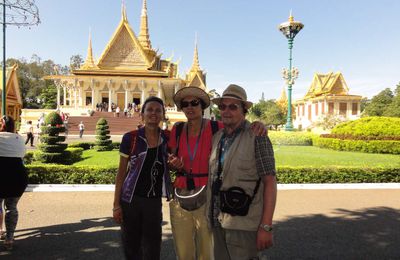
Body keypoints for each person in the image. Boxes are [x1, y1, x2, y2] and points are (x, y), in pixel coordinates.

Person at [168, 86, 267, 260]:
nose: (190, 107)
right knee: (183, 252)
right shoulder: (176, 130)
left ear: (203, 106)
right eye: (185, 104)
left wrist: (258, 124)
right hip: (181, 196)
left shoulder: (216, 128)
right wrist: (174, 164)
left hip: (207, 197)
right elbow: (167, 158)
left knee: (207, 252)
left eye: (194, 103)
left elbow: (240, 127)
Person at [206, 84, 277, 260]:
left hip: (244, 223)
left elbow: (270, 181)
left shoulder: (257, 137)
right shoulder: (217, 138)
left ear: (244, 110)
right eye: (222, 106)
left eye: (233, 106)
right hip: (217, 219)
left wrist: (266, 226)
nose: (226, 111)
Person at [113, 96, 172, 260]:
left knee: (153, 245)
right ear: (142, 114)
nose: (154, 113)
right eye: (150, 110)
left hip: (153, 201)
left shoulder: (168, 138)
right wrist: (116, 205)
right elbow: (121, 173)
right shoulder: (131, 138)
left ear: (163, 115)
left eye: (158, 110)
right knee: (131, 245)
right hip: (130, 199)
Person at [0, 115, 28, 250]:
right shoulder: (19, 139)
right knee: (11, 208)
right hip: (17, 177)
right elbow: (22, 155)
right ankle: (9, 238)